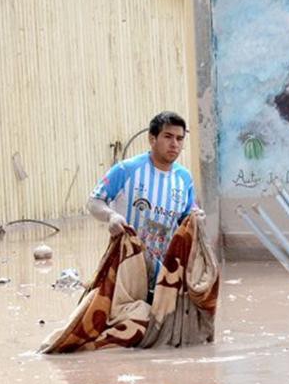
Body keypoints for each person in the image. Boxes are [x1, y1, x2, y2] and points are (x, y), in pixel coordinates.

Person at [87, 111, 204, 292]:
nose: (174, 144)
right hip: (125, 269)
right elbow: (94, 201)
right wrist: (111, 216)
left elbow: (187, 216)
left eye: (180, 139)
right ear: (152, 138)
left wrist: (196, 217)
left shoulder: (184, 178)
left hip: (166, 275)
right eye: (168, 137)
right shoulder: (126, 169)